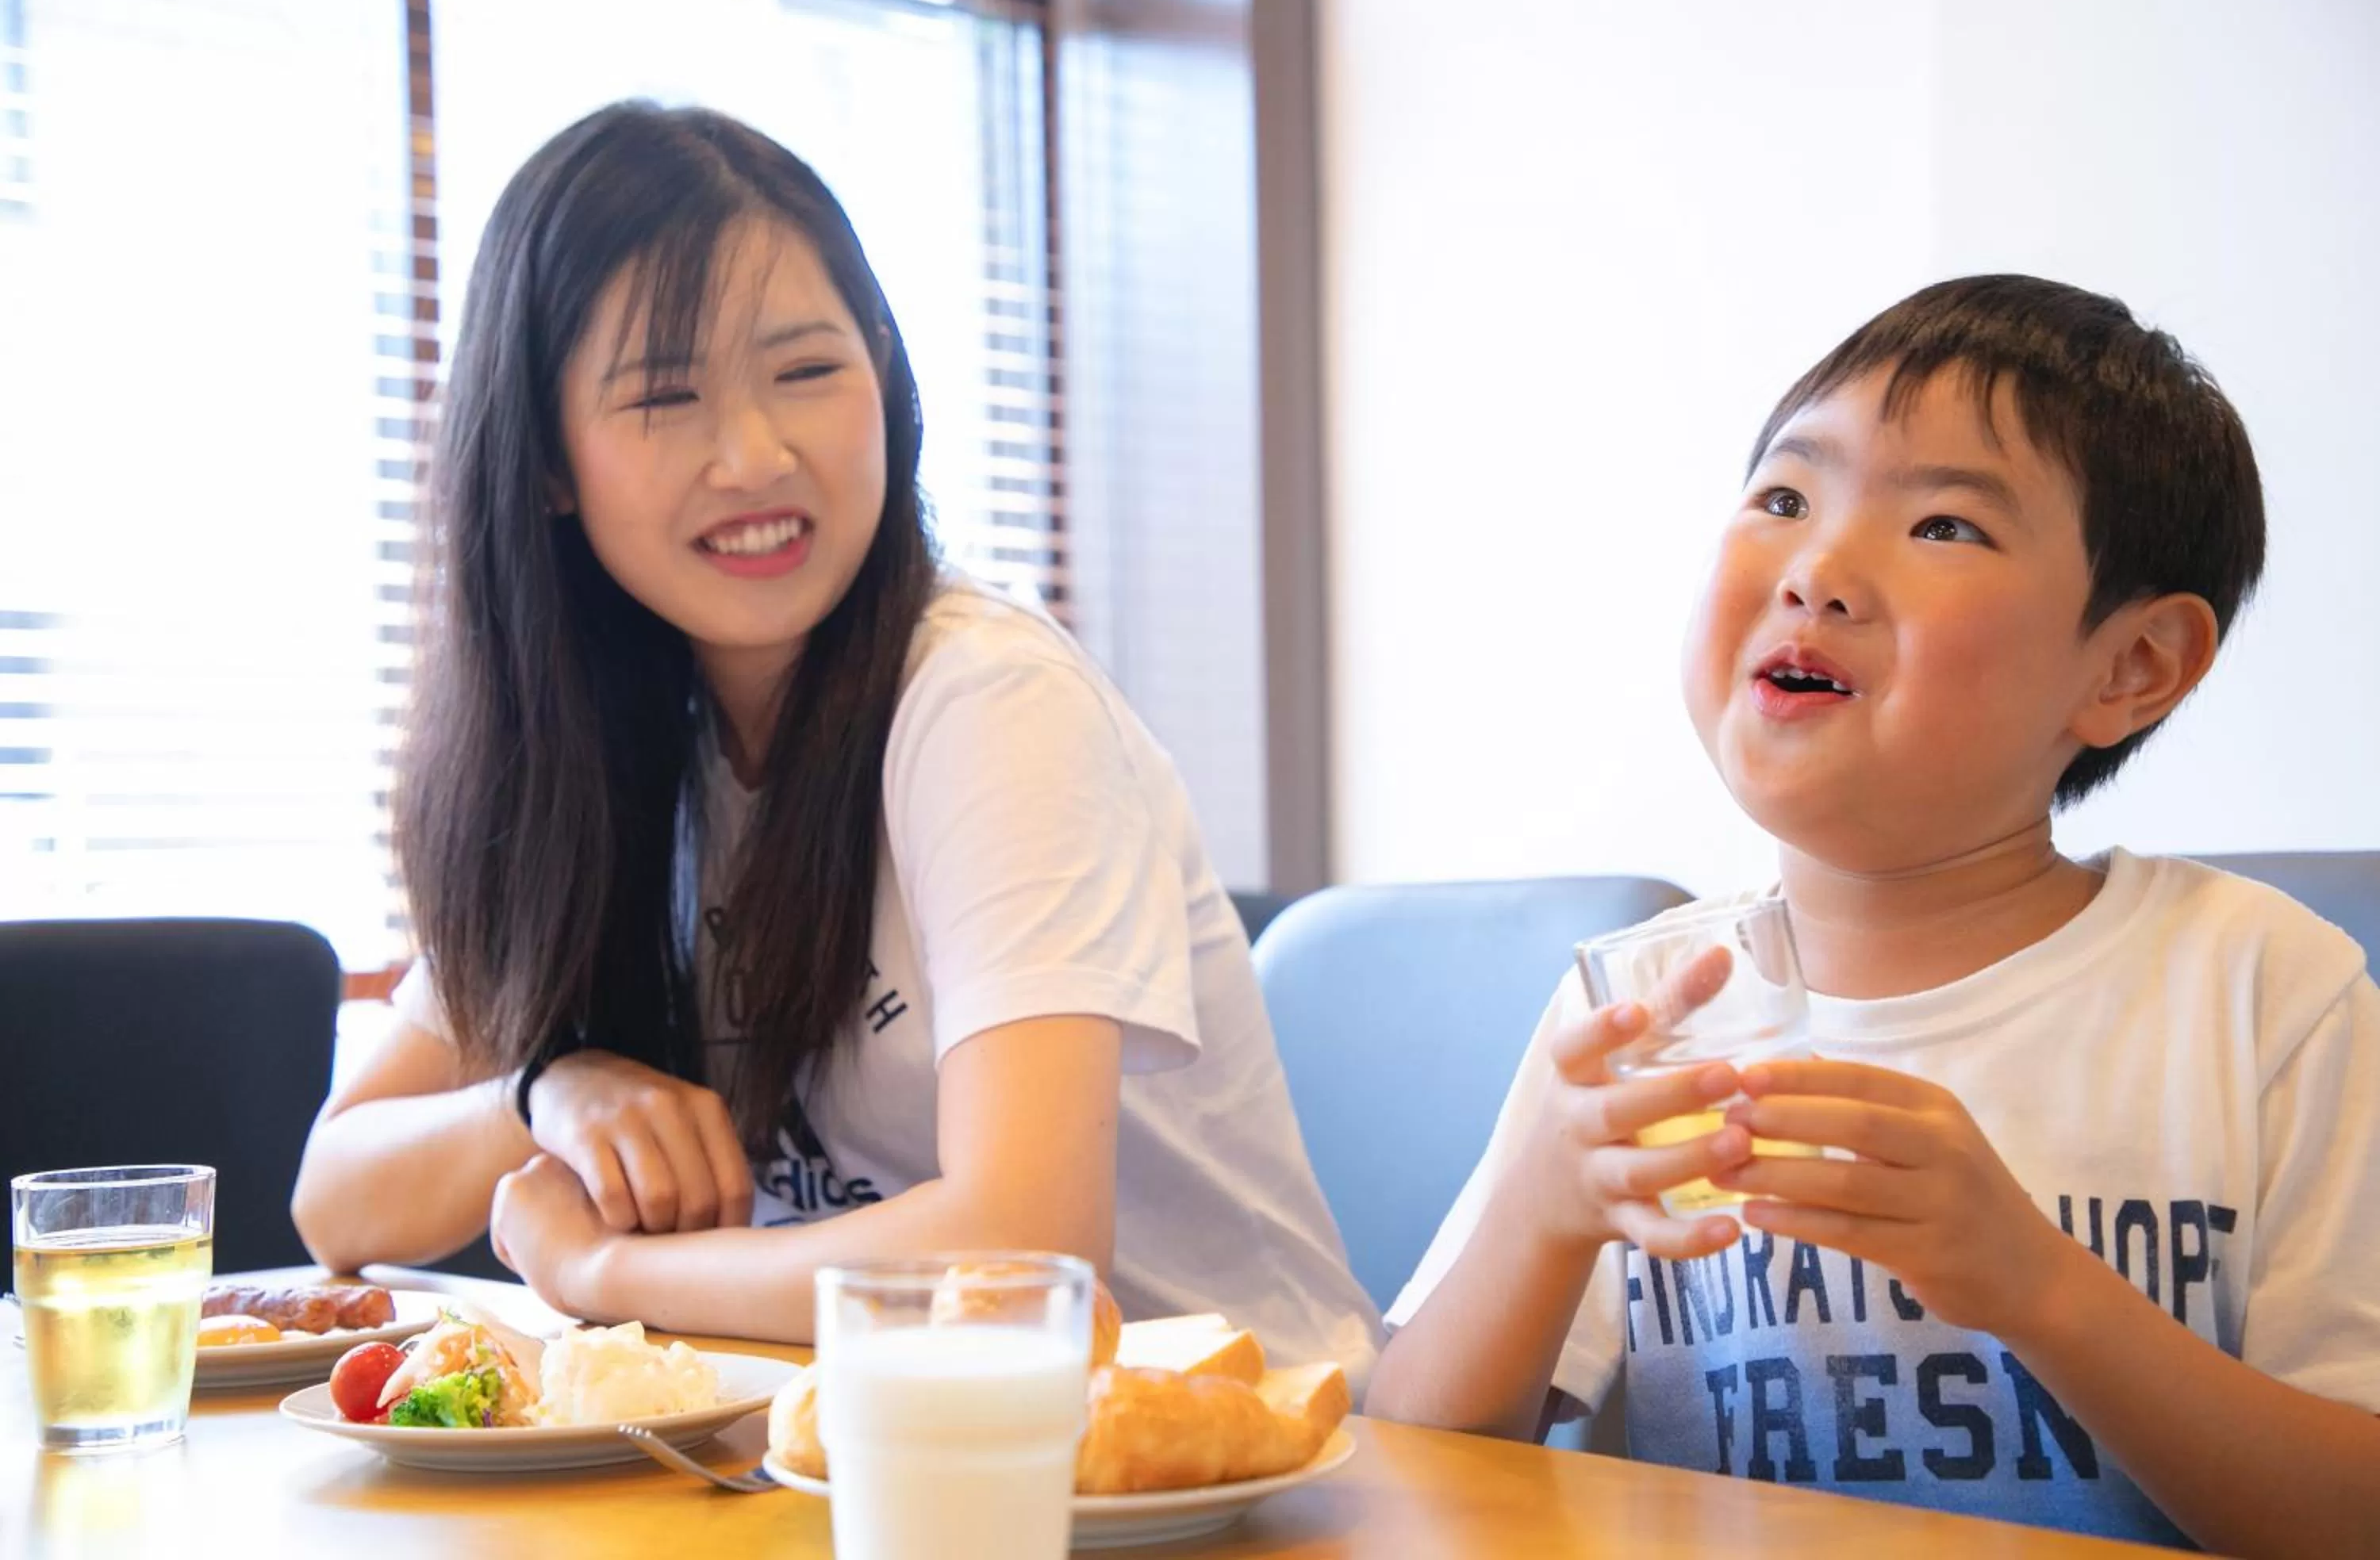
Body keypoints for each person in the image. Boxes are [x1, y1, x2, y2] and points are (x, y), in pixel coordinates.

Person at [290, 102, 1377, 1378]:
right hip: (886, 1459)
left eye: (806, 371)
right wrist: (546, 1092)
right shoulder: (616, 759)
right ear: (547, 464)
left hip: (1233, 1469)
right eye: (665, 396)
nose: (755, 455)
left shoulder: (982, 700)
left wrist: (603, 1273)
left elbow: (1023, 1253)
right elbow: (334, 1196)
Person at [1365, 275, 2379, 1551]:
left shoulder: (2261, 991)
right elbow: (1406, 1464)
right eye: (1784, 499)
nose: (1818, 570)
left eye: (1946, 525)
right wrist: (1543, 1208)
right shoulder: (1641, 1010)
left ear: (2131, 667)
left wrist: (2042, 1292)